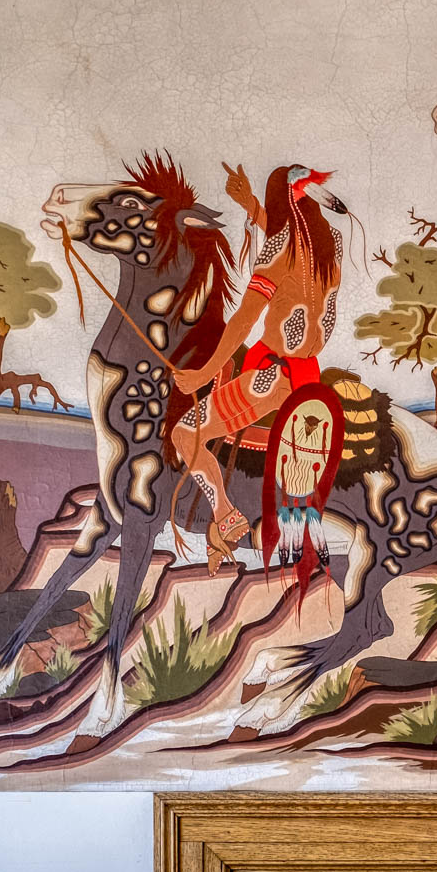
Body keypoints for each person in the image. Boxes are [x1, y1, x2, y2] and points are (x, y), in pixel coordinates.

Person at [170, 162, 347, 568]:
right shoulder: (330, 244)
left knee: (184, 434)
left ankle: (226, 517)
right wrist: (251, 206)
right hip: (308, 375)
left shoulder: (281, 245)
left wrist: (202, 374)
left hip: (274, 378)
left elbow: (243, 321)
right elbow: (294, 240)